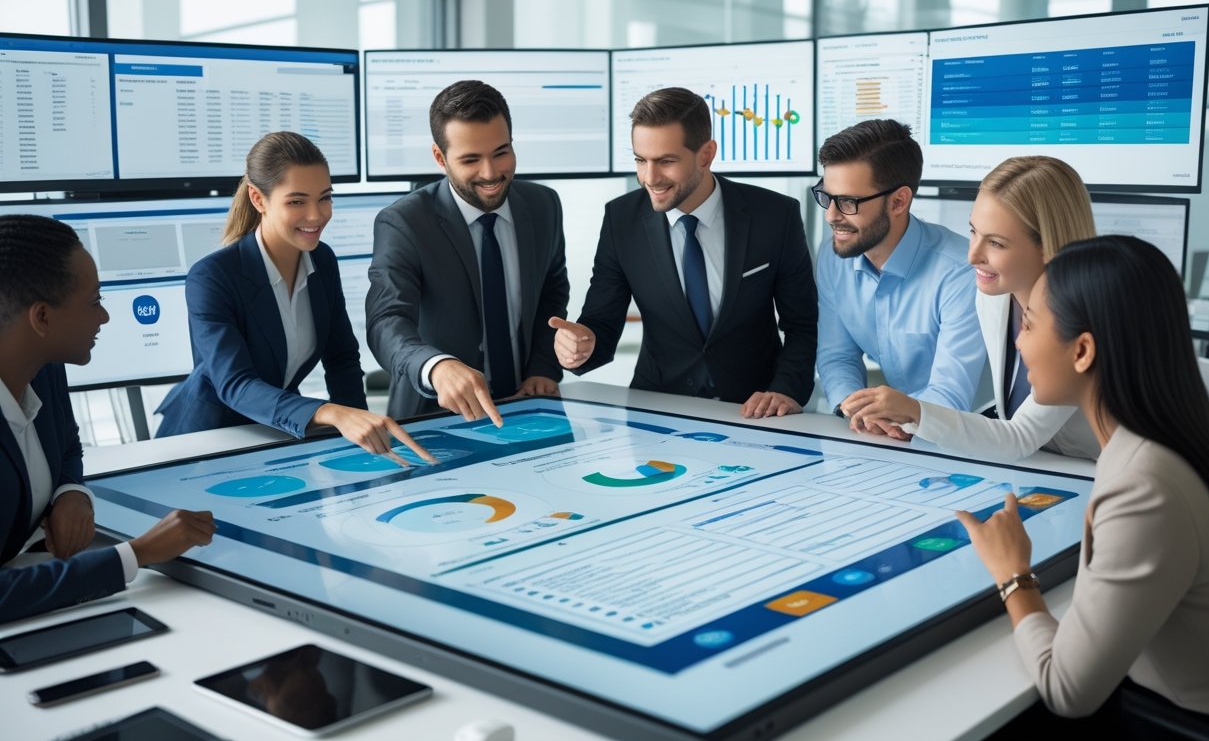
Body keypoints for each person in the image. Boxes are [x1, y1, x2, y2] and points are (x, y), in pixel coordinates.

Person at [958, 235, 1209, 728]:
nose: (1019, 342)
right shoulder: (1157, 440)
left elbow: (1067, 689)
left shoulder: (1144, 487)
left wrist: (1013, 573)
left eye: (1029, 323)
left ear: (1082, 351)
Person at [157, 132, 430, 466]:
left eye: (325, 198)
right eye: (297, 202)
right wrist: (332, 413)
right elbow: (235, 384)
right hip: (209, 439)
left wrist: (363, 434)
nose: (316, 215)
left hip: (277, 434)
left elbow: (341, 358)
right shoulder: (213, 277)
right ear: (258, 199)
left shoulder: (322, 260)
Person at [550, 87, 818, 417]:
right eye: (640, 160)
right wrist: (581, 344)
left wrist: (785, 391)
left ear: (706, 155)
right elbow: (601, 322)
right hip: (657, 409)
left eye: (666, 161)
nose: (650, 178)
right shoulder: (621, 219)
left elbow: (803, 325)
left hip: (756, 409)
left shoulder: (775, 215)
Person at [1, 214, 216, 624]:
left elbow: (67, 444)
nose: (104, 318)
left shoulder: (42, 365)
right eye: (94, 301)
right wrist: (136, 554)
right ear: (42, 318)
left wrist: (70, 492)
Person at [839, 156, 1101, 461]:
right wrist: (904, 418)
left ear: (1049, 245)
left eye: (996, 243)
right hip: (1042, 464)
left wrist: (914, 411)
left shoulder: (1081, 317)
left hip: (1095, 469)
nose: (972, 256)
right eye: (974, 232)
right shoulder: (992, 296)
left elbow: (1019, 436)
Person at [366, 80, 570, 422]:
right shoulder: (403, 222)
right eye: (471, 159)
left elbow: (552, 290)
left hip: (528, 406)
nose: (490, 173)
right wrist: (435, 367)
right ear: (440, 157)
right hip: (436, 417)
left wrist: (543, 367)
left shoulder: (544, 205)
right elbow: (386, 321)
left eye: (501, 153)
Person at [815, 119, 985, 428]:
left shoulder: (961, 272)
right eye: (826, 197)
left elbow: (951, 396)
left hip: (971, 432)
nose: (831, 215)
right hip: (892, 432)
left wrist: (890, 418)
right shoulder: (834, 256)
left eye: (848, 202)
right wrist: (857, 411)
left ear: (898, 201)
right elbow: (837, 357)